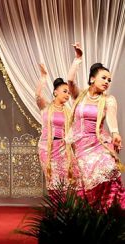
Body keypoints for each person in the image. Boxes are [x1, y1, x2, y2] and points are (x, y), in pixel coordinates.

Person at [67, 42, 125, 209]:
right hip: (81, 146)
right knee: (86, 181)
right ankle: (92, 216)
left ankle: (107, 212)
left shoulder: (108, 99)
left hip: (99, 143)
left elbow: (112, 121)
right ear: (92, 78)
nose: (107, 82)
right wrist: (78, 59)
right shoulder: (79, 96)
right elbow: (70, 80)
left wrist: (115, 133)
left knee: (109, 169)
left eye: (109, 80)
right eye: (103, 78)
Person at [35, 63, 78, 194]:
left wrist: (76, 152)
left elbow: (72, 133)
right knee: (52, 181)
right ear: (55, 92)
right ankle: (57, 212)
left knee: (66, 182)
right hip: (46, 148)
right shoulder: (46, 107)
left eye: (69, 93)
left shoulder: (69, 111)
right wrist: (43, 78)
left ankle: (65, 211)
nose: (67, 95)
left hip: (63, 149)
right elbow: (37, 96)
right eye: (65, 91)